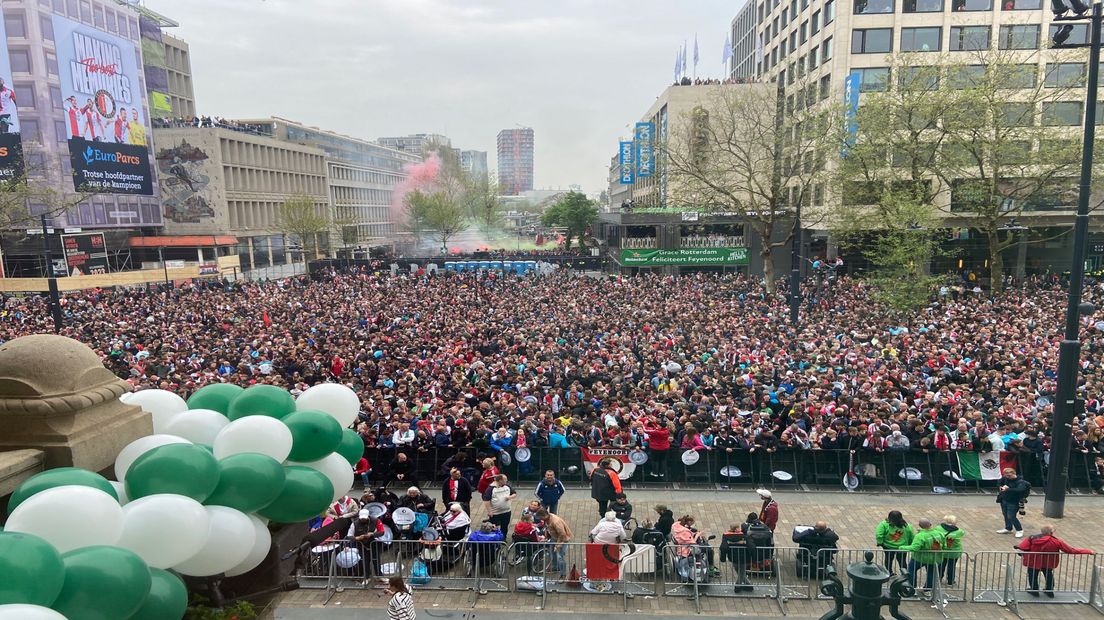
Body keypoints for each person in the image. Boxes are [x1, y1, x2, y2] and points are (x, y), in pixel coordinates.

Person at [1017, 525, 1093, 597]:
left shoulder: (1032, 538)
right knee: (1048, 575)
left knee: (1032, 575)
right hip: (1049, 562)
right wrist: (1088, 551)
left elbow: (1022, 547)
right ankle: (1049, 591)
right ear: (1051, 533)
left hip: (1033, 561)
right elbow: (1070, 550)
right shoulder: (1056, 541)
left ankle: (1034, 590)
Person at [903, 518, 946, 595]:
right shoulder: (940, 534)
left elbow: (914, 548)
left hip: (919, 558)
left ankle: (913, 589)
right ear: (930, 524)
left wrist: (902, 547)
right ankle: (927, 590)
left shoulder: (920, 536)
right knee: (931, 573)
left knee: (912, 570)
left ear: (920, 526)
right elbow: (944, 546)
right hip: (935, 558)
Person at [349, 509, 386, 583]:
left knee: (376, 560)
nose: (363, 519)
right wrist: (357, 538)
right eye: (361, 518)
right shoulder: (354, 523)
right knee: (365, 561)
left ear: (368, 516)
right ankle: (366, 577)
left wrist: (372, 534)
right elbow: (349, 536)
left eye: (364, 518)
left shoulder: (376, 521)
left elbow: (382, 531)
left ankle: (379, 576)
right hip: (362, 545)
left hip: (374, 543)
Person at [875, 511, 914, 575]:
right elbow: (911, 536)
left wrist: (880, 542)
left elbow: (879, 534)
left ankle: (889, 573)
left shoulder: (884, 524)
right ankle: (904, 574)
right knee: (902, 561)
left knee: (888, 560)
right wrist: (909, 544)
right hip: (902, 547)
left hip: (888, 547)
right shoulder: (907, 526)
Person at [537, 508, 573, 578]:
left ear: (544, 516)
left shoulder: (556, 521)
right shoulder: (547, 518)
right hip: (554, 537)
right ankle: (555, 567)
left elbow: (562, 534)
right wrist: (546, 537)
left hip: (562, 539)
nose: (540, 519)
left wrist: (558, 545)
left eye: (541, 518)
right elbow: (547, 528)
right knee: (552, 553)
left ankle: (563, 574)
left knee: (560, 557)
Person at [997, 467, 1030, 538]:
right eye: (1006, 476)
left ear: (1014, 473)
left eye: (1009, 476)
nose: (1007, 477)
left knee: (1011, 516)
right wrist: (1001, 486)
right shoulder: (1005, 478)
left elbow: (1020, 490)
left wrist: (1008, 489)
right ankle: (1008, 528)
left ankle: (1019, 530)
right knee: (1005, 514)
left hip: (1014, 501)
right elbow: (1000, 481)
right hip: (1004, 499)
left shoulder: (1020, 482)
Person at [720, 522, 752, 592]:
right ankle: (739, 587)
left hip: (732, 556)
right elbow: (750, 546)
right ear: (737, 529)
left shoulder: (726, 536)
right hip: (744, 557)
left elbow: (723, 547)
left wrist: (723, 558)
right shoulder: (744, 536)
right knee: (741, 572)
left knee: (739, 571)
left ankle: (748, 585)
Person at [939, 515, 964, 586]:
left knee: (942, 565)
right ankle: (950, 581)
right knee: (952, 566)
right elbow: (962, 534)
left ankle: (939, 578)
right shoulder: (959, 531)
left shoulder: (939, 528)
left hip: (943, 551)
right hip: (954, 552)